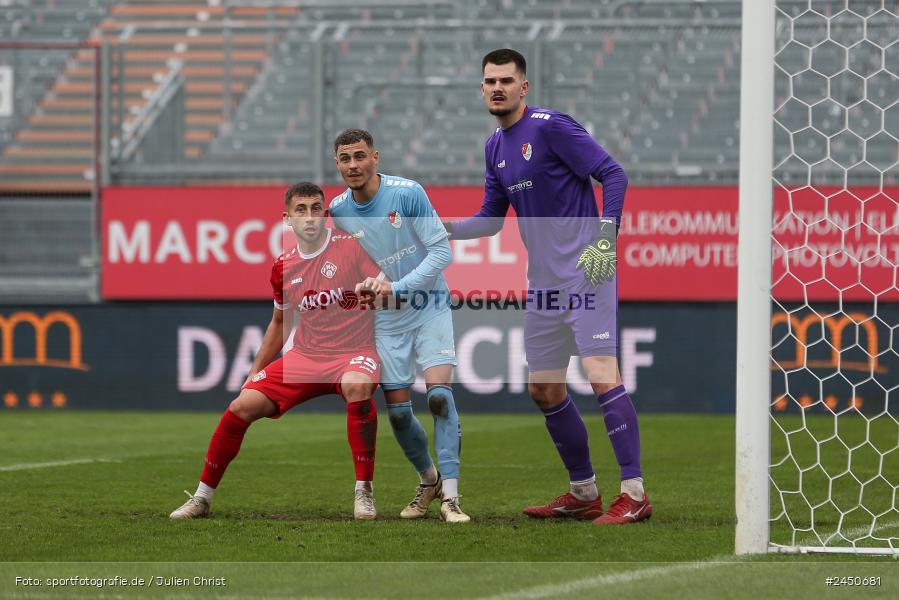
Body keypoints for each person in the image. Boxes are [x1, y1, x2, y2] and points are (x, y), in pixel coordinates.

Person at [445, 49, 651, 525]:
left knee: (601, 372)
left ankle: (634, 492)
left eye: (506, 80)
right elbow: (490, 221)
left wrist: (606, 236)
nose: (497, 88)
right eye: (489, 81)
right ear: (481, 89)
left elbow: (613, 174)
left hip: (588, 270)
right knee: (543, 388)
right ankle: (583, 492)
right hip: (543, 285)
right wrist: (442, 228)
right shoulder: (495, 148)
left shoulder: (550, 126)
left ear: (524, 86)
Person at [169, 182, 382, 521]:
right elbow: (280, 323)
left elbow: (384, 286)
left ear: (326, 215)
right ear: (287, 219)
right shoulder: (284, 265)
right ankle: (201, 498)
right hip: (306, 357)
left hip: (353, 352)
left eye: (316, 209)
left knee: (358, 386)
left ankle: (364, 491)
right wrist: (254, 373)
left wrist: (376, 288)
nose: (310, 217)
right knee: (240, 406)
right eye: (301, 210)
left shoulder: (350, 248)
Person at [328, 129, 469, 523]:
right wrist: (359, 290)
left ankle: (452, 499)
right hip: (386, 321)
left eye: (360, 156)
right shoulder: (338, 211)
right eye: (345, 159)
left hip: (429, 307)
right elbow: (343, 266)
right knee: (400, 415)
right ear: (337, 163)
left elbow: (441, 251)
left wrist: (398, 287)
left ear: (376, 156)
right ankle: (429, 481)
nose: (353, 165)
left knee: (439, 397)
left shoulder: (408, 193)